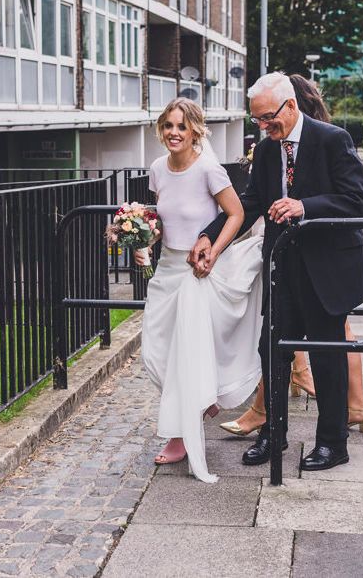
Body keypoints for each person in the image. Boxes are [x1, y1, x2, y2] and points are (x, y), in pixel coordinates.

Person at [191, 72, 363, 471]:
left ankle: (332, 443)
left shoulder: (332, 139)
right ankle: (273, 435)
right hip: (283, 269)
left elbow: (361, 200)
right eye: (256, 120)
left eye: (268, 118)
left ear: (290, 106)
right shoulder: (268, 148)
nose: (263, 126)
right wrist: (209, 235)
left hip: (328, 270)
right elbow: (251, 202)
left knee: (327, 356)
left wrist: (305, 206)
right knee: (271, 352)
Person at [140, 97, 263, 483]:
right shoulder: (158, 169)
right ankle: (199, 401)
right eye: (168, 126)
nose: (174, 133)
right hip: (165, 272)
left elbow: (237, 213)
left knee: (182, 356)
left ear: (195, 130)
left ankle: (179, 436)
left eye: (181, 126)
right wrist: (143, 239)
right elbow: (162, 219)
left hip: (196, 273)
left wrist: (214, 248)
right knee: (154, 353)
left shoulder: (209, 169)